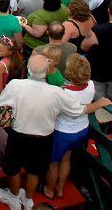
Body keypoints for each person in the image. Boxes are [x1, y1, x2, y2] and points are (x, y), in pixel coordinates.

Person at [0, 54, 112, 210]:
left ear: (28, 69)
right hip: (43, 137)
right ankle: (28, 199)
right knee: (34, 170)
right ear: (46, 71)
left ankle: (14, 197)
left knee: (13, 168)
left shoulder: (15, 85)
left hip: (19, 134)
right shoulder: (57, 92)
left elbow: (1, 108)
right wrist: (99, 103)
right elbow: (80, 110)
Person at [45, 55, 96, 200]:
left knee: (53, 163)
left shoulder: (64, 93)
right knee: (66, 159)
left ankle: (49, 190)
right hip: (82, 129)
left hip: (63, 132)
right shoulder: (91, 85)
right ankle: (60, 188)